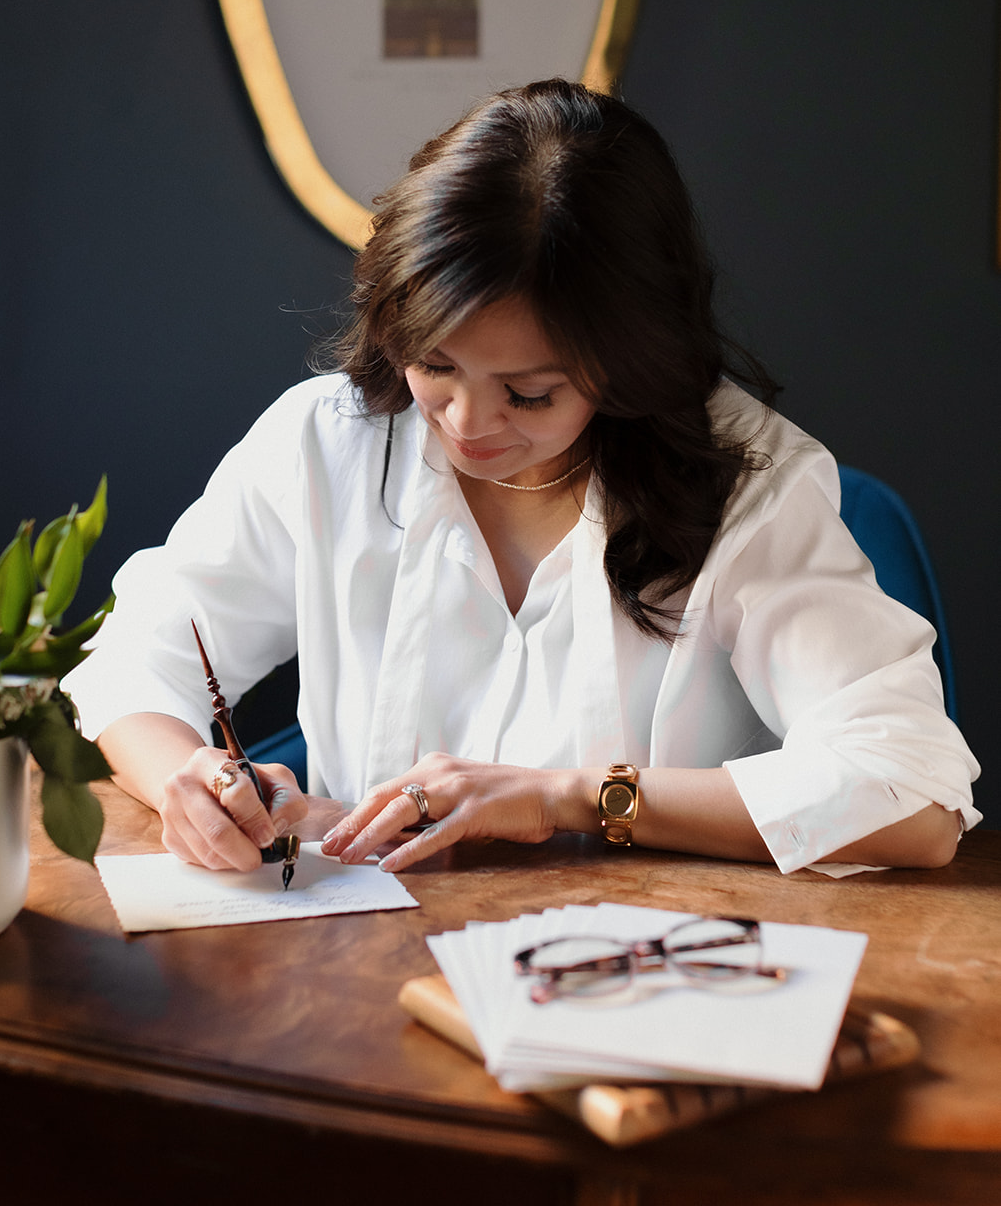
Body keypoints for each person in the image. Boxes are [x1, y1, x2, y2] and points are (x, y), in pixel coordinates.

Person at [67, 80, 980, 878]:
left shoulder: (751, 485)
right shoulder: (329, 441)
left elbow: (912, 798)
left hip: (638, 978)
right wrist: (183, 779)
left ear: (625, 360)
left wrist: (567, 798)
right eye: (435, 365)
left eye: (529, 393)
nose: (467, 425)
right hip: (350, 962)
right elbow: (137, 653)